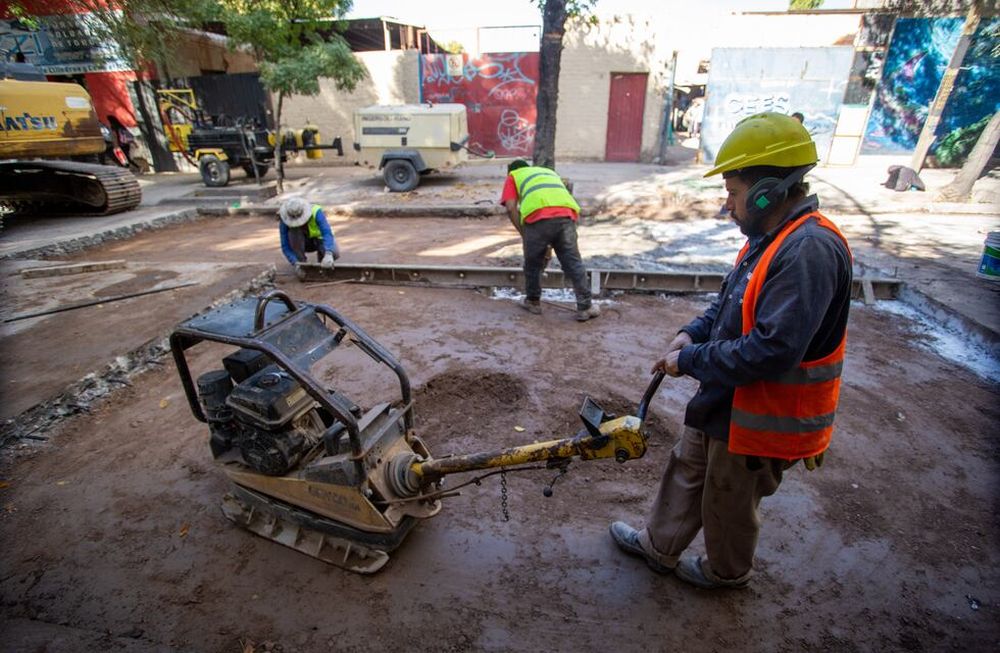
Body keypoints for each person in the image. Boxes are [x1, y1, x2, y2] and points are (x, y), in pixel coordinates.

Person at [609, 112, 853, 589]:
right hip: (727, 399)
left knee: (729, 498)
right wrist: (692, 334)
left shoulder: (809, 250)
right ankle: (659, 548)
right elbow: (729, 306)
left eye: (733, 194)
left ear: (767, 193)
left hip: (761, 413)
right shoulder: (770, 240)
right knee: (689, 469)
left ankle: (726, 573)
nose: (728, 206)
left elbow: (773, 349)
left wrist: (692, 361)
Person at [500, 159, 600, 322]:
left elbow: (511, 207)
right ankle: (585, 307)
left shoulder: (513, 175)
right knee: (573, 262)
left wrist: (525, 233)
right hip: (566, 214)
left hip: (538, 217)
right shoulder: (547, 173)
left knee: (533, 263)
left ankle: (533, 302)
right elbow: (560, 197)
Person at [278, 197, 340, 279]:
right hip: (300, 243)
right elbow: (285, 246)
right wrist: (296, 264)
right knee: (294, 233)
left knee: (334, 253)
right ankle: (302, 263)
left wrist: (328, 253)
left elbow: (327, 233)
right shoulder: (285, 219)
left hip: (318, 241)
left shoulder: (316, 212)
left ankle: (323, 258)